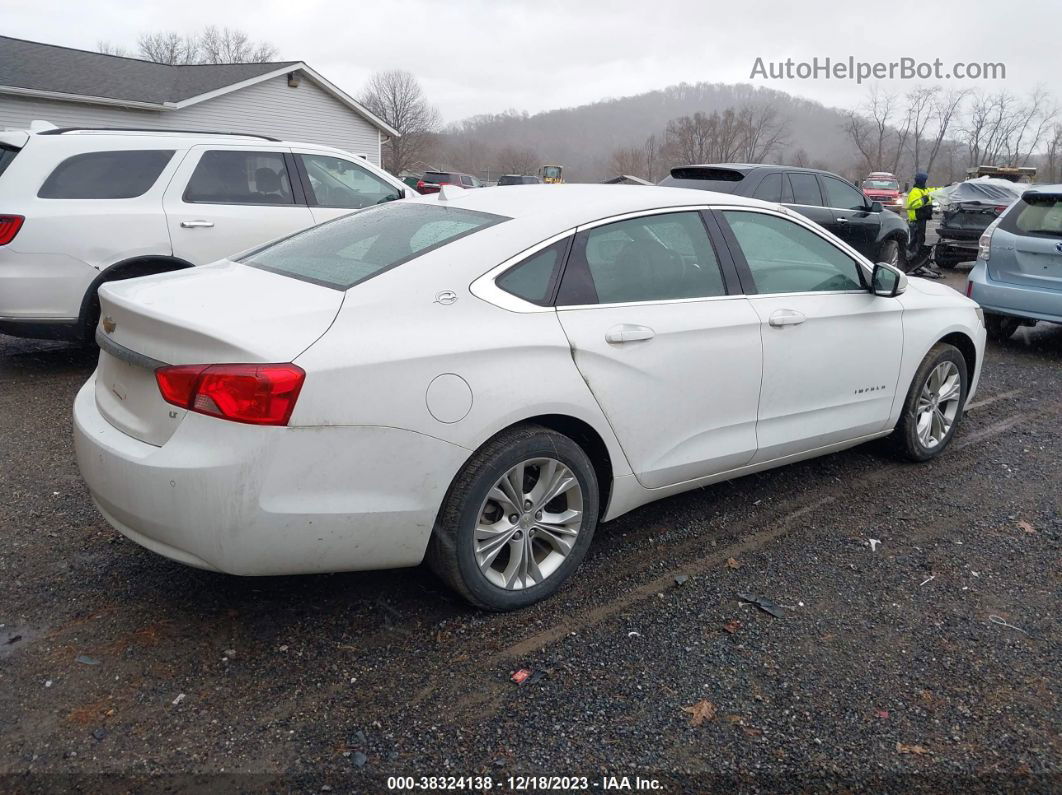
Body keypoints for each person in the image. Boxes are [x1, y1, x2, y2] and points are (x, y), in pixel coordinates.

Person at [906, 171, 943, 276]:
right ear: (922, 181)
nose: (926, 182)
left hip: (922, 220)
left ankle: (916, 261)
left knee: (920, 240)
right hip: (916, 221)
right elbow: (913, 204)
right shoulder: (915, 192)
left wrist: (946, 187)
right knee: (915, 242)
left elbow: (934, 191)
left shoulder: (924, 190)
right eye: (925, 180)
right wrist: (924, 199)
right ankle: (911, 261)